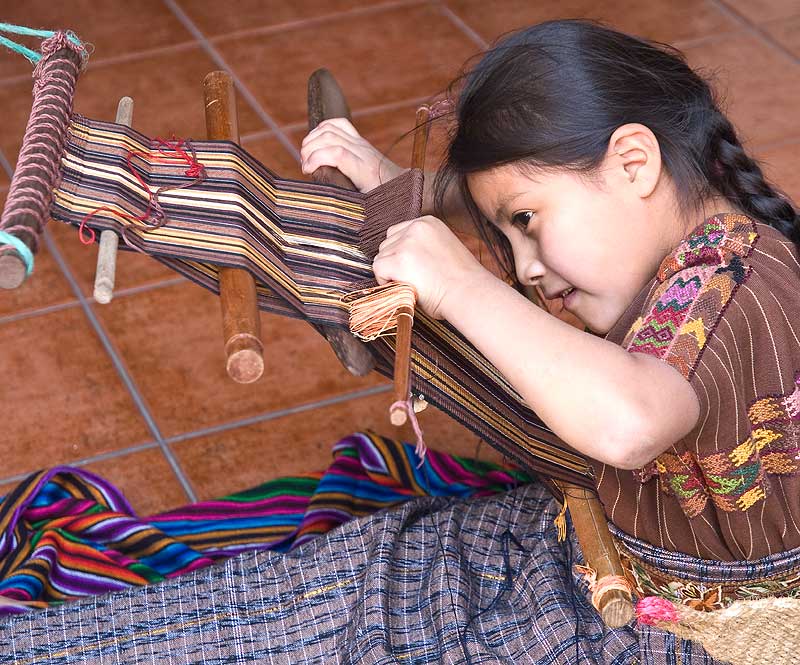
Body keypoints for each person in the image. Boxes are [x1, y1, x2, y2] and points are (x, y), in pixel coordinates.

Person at [300, 16, 800, 576]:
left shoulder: (720, 282)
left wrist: (460, 283)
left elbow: (628, 423)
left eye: (527, 223)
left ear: (634, 163)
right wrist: (389, 180)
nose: (524, 267)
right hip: (637, 557)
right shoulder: (719, 235)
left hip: (684, 623)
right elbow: (515, 193)